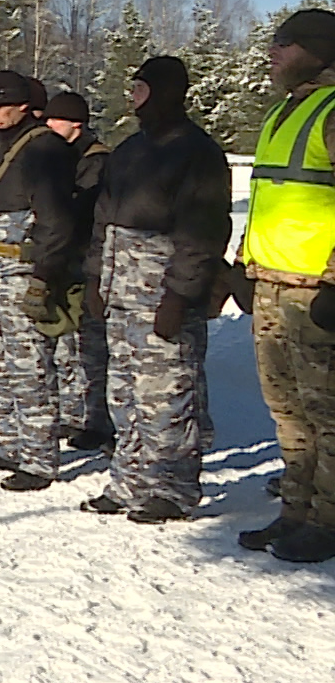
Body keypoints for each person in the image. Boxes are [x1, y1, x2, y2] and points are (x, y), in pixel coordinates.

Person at [79, 57, 230, 524]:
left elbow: (204, 232)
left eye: (141, 89)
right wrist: (94, 278)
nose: (133, 98)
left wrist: (179, 296)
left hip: (162, 292)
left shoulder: (196, 152)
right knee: (124, 392)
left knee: (167, 394)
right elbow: (103, 220)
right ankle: (130, 482)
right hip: (121, 291)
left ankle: (172, 488)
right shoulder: (129, 150)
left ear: (165, 92)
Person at [237, 7, 335, 563]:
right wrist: (242, 262)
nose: (272, 50)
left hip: (316, 292)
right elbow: (271, 197)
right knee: (288, 411)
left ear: (320, 51)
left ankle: (329, 520)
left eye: (286, 41)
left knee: (329, 415)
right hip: (272, 285)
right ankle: (296, 511)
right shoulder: (282, 112)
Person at [0, 70, 76, 491]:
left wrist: (43, 277)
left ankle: (39, 457)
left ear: (24, 106)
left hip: (24, 270)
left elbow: (55, 220)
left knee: (30, 364)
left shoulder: (45, 149)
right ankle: (7, 442)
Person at [44, 91, 114, 451]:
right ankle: (76, 413)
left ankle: (99, 421)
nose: (49, 125)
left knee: (92, 347)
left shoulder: (95, 160)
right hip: (68, 261)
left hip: (88, 260)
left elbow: (83, 207)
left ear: (76, 124)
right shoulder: (62, 156)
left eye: (56, 120)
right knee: (68, 345)